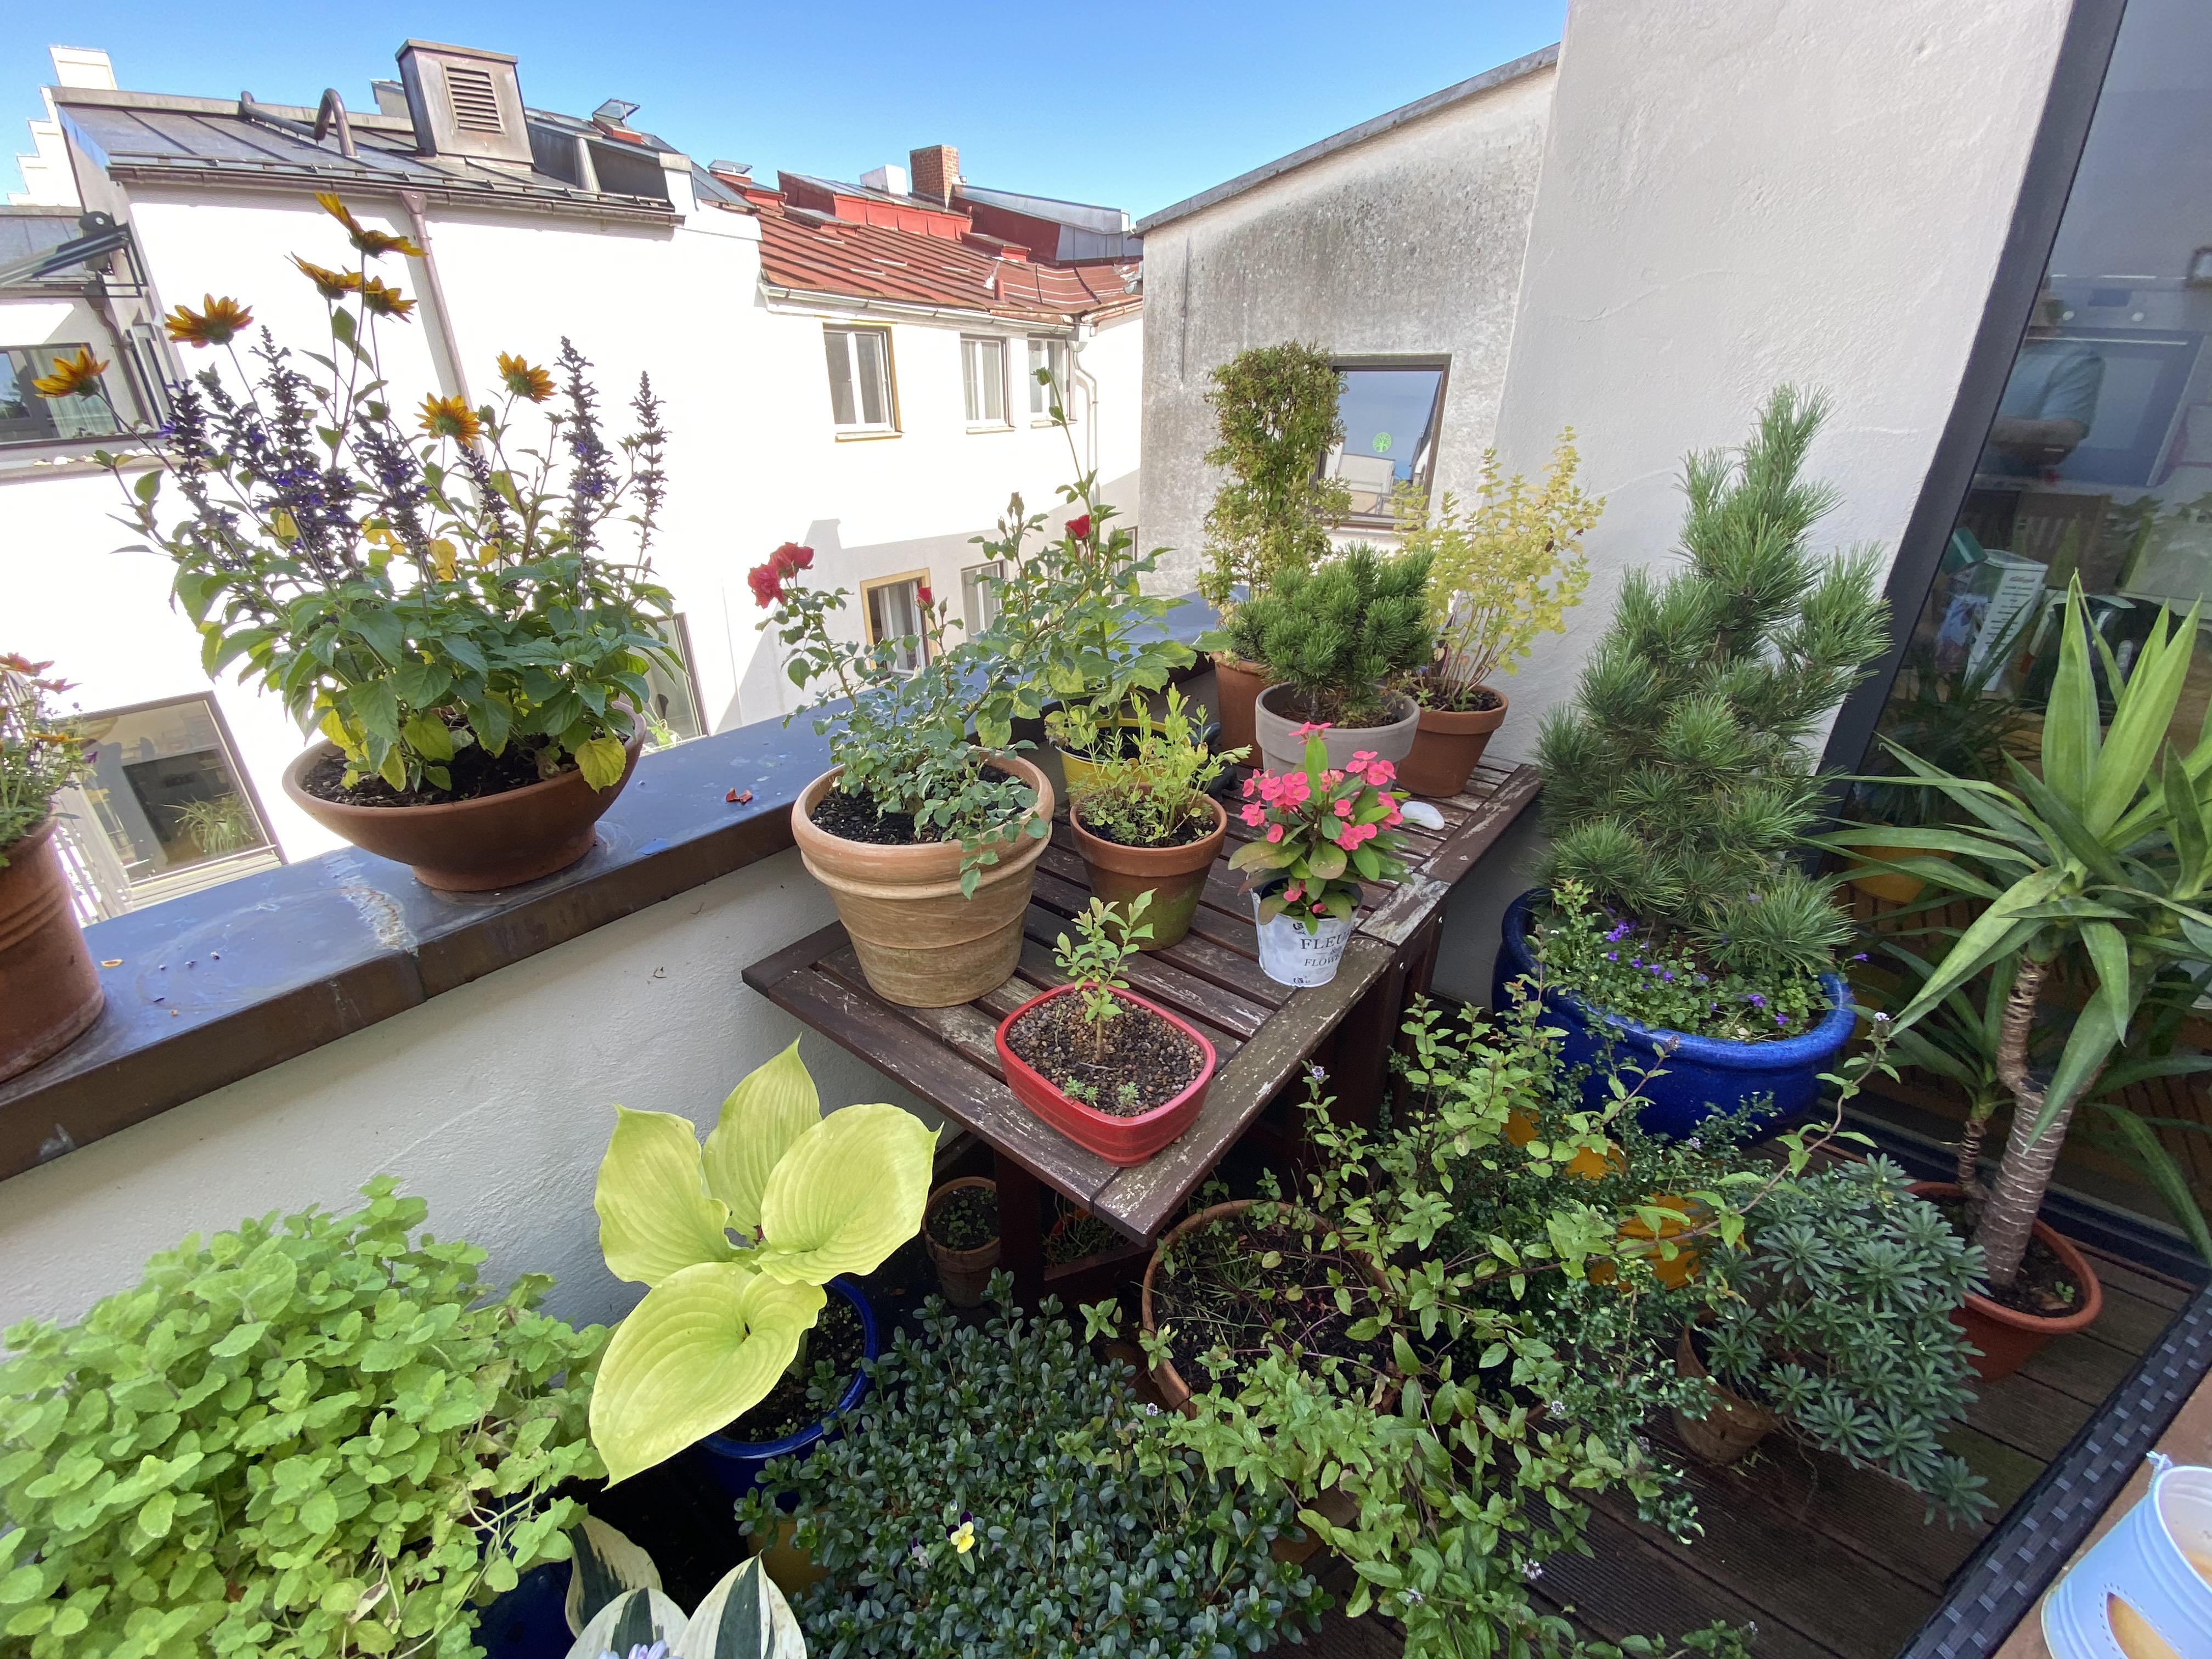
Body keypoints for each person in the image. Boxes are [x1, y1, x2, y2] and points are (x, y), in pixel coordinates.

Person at [1983, 289, 2103, 476]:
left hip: (1998, 488)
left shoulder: (2076, 360)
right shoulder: (1972, 344)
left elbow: (2061, 440)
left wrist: (1977, 424)